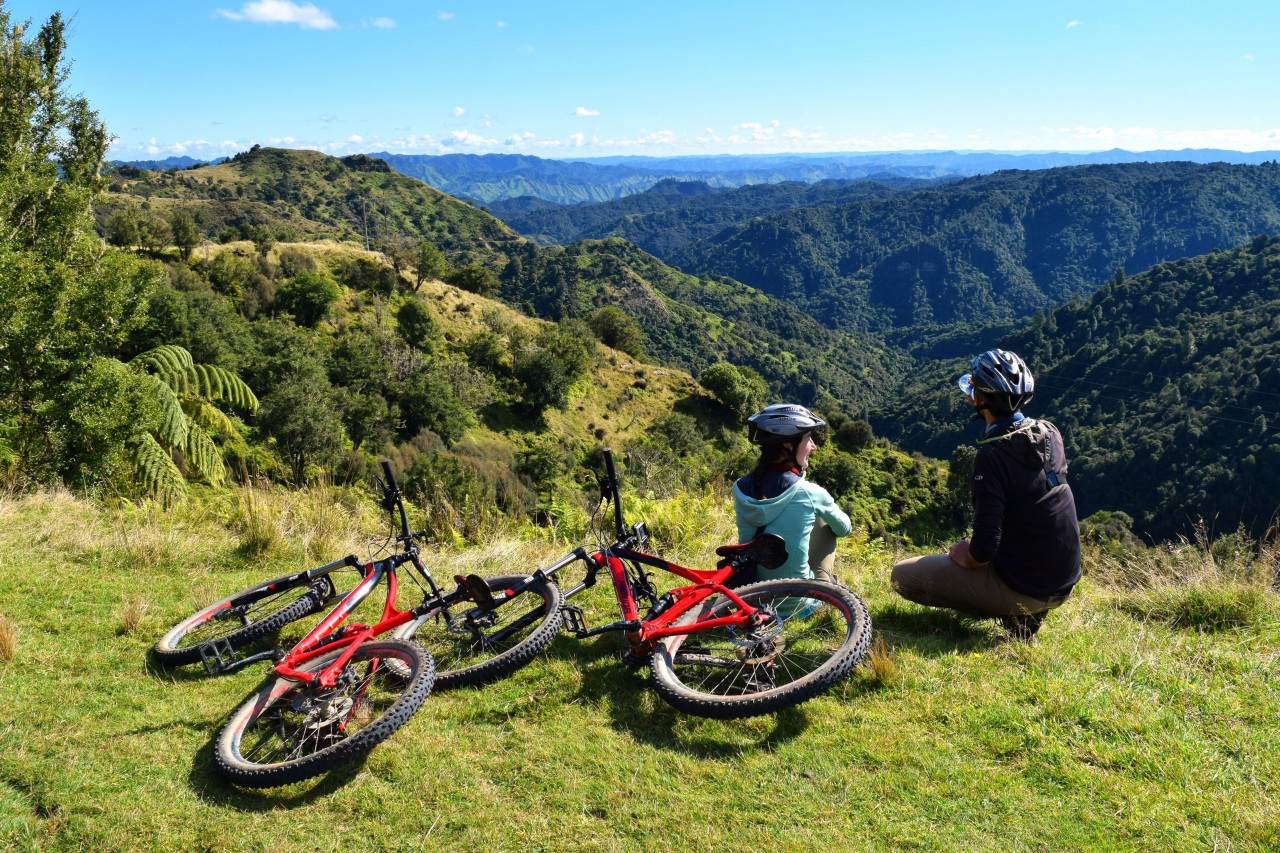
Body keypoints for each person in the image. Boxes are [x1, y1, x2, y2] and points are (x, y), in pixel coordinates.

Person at [890, 349, 1081, 640]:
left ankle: (1013, 612)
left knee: (903, 577)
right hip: (1064, 581)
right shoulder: (1050, 432)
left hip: (1026, 587)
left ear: (977, 399)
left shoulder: (992, 456)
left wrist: (964, 555)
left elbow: (982, 550)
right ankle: (1022, 609)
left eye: (974, 389)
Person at [732, 403, 853, 584]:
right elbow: (844, 529)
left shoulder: (739, 487)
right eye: (809, 438)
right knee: (824, 522)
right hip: (799, 601)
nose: (814, 447)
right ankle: (825, 583)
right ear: (789, 445)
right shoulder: (811, 493)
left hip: (750, 598)